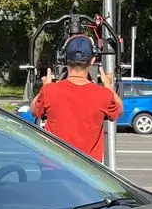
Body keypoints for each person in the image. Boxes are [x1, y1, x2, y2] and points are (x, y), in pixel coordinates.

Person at [30, 34, 122, 162]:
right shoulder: (103, 95)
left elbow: (34, 110)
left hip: (53, 169)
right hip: (86, 173)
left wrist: (45, 86)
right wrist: (108, 85)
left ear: (65, 59)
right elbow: (120, 109)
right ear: (92, 60)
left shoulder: (49, 91)